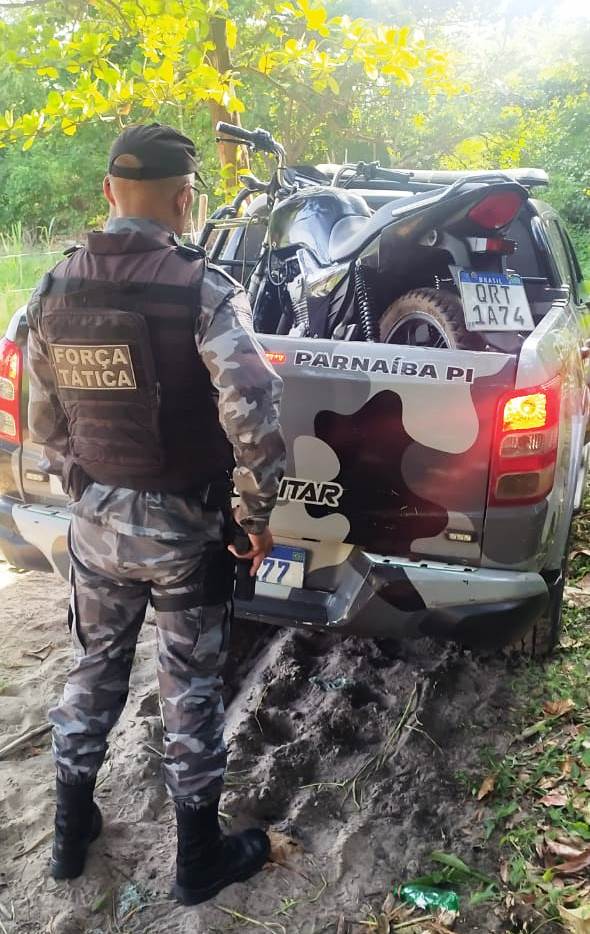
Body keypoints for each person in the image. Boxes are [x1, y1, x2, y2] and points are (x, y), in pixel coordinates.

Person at [26, 123, 286, 905]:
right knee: (190, 688)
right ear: (184, 200)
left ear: (108, 193)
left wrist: (86, 482)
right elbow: (255, 406)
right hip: (184, 531)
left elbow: (43, 417)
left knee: (93, 670)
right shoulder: (201, 287)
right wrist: (256, 513)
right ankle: (197, 860)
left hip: (95, 524)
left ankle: (71, 836)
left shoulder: (54, 285)